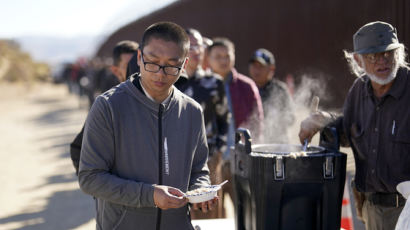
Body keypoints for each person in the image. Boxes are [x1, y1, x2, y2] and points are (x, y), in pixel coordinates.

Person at [79, 21, 217, 230]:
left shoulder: (192, 111)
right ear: (139, 57)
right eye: (152, 62)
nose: (160, 74)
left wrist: (201, 190)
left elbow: (199, 169)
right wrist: (149, 195)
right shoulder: (108, 106)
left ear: (185, 63)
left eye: (172, 65)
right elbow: (90, 178)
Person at [298, 21, 410, 230]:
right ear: (358, 61)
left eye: (388, 53)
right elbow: (347, 131)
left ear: (399, 53)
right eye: (372, 56)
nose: (382, 61)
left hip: (407, 211)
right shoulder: (359, 90)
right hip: (371, 210)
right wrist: (323, 120)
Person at [207, 37, 264, 212]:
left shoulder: (246, 86)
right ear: (208, 59)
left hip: (239, 159)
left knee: (246, 209)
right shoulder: (202, 86)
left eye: (227, 55)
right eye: (218, 56)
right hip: (212, 160)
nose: (224, 60)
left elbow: (258, 120)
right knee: (213, 213)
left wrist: (252, 150)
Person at [178, 28, 230, 219]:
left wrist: (219, 150)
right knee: (178, 213)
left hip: (209, 158)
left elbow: (224, 118)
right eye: (190, 45)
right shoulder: (170, 84)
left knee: (209, 212)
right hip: (177, 160)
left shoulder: (214, 82)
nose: (195, 50)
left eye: (198, 45)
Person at [70, 40, 138, 175]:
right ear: (115, 70)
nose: (136, 71)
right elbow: (79, 151)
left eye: (139, 64)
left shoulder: (159, 100)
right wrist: (103, 190)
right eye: (128, 66)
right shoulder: (107, 105)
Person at [248, 48, 295, 143]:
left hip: (276, 143)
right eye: (254, 66)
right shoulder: (245, 88)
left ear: (271, 69)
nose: (257, 70)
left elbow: (290, 117)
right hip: (250, 142)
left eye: (261, 66)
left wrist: (272, 122)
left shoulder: (280, 90)